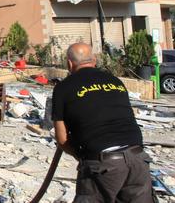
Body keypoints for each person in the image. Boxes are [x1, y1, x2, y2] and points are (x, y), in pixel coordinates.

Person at [52, 43, 154, 202]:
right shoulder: (115, 81)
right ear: (94, 60)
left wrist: (81, 157)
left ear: (69, 63)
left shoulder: (63, 88)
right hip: (138, 158)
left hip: (102, 165)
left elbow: (62, 138)